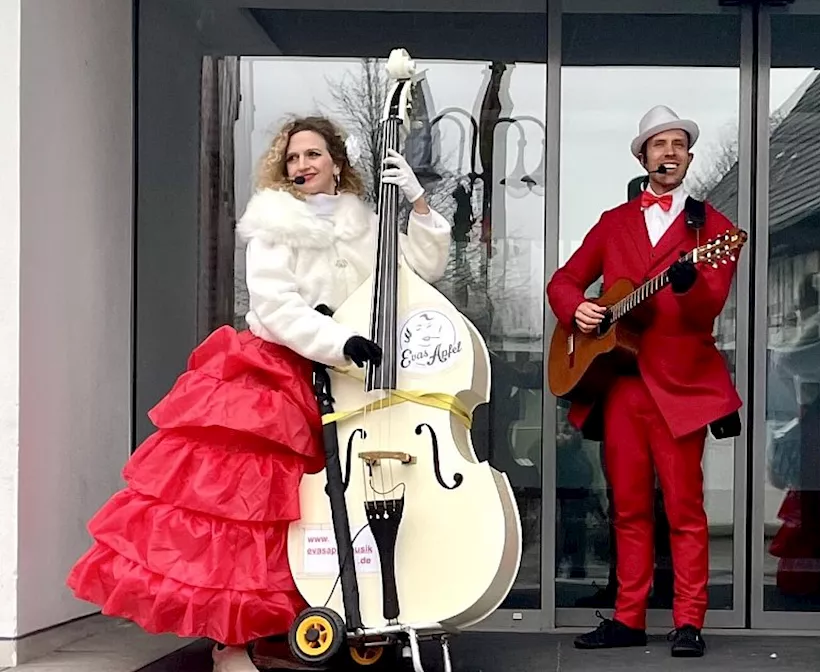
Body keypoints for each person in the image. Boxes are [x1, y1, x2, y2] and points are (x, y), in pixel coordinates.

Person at [65, 116, 452, 672]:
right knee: (244, 516)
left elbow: (421, 269)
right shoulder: (273, 224)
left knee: (309, 515)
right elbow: (273, 306)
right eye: (293, 158)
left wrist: (419, 206)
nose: (302, 166)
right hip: (276, 376)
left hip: (344, 382)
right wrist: (340, 340)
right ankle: (231, 643)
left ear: (336, 163)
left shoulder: (365, 222)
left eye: (314, 155)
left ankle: (285, 632)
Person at [546, 105, 742, 658]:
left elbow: (710, 305)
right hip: (623, 383)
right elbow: (564, 280)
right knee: (628, 508)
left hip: (683, 385)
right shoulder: (613, 223)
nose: (670, 152)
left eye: (679, 143)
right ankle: (629, 617)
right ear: (643, 156)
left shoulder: (714, 227)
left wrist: (685, 284)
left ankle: (688, 621)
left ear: (689, 158)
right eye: (659, 144)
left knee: (685, 510)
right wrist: (578, 312)